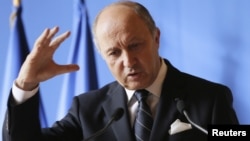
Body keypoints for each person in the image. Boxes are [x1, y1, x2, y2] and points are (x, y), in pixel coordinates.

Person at [2, 1, 239, 141]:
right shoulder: (87, 110)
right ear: (103, 56)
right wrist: (25, 84)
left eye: (135, 46)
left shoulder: (210, 99)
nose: (128, 61)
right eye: (114, 53)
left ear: (156, 38)